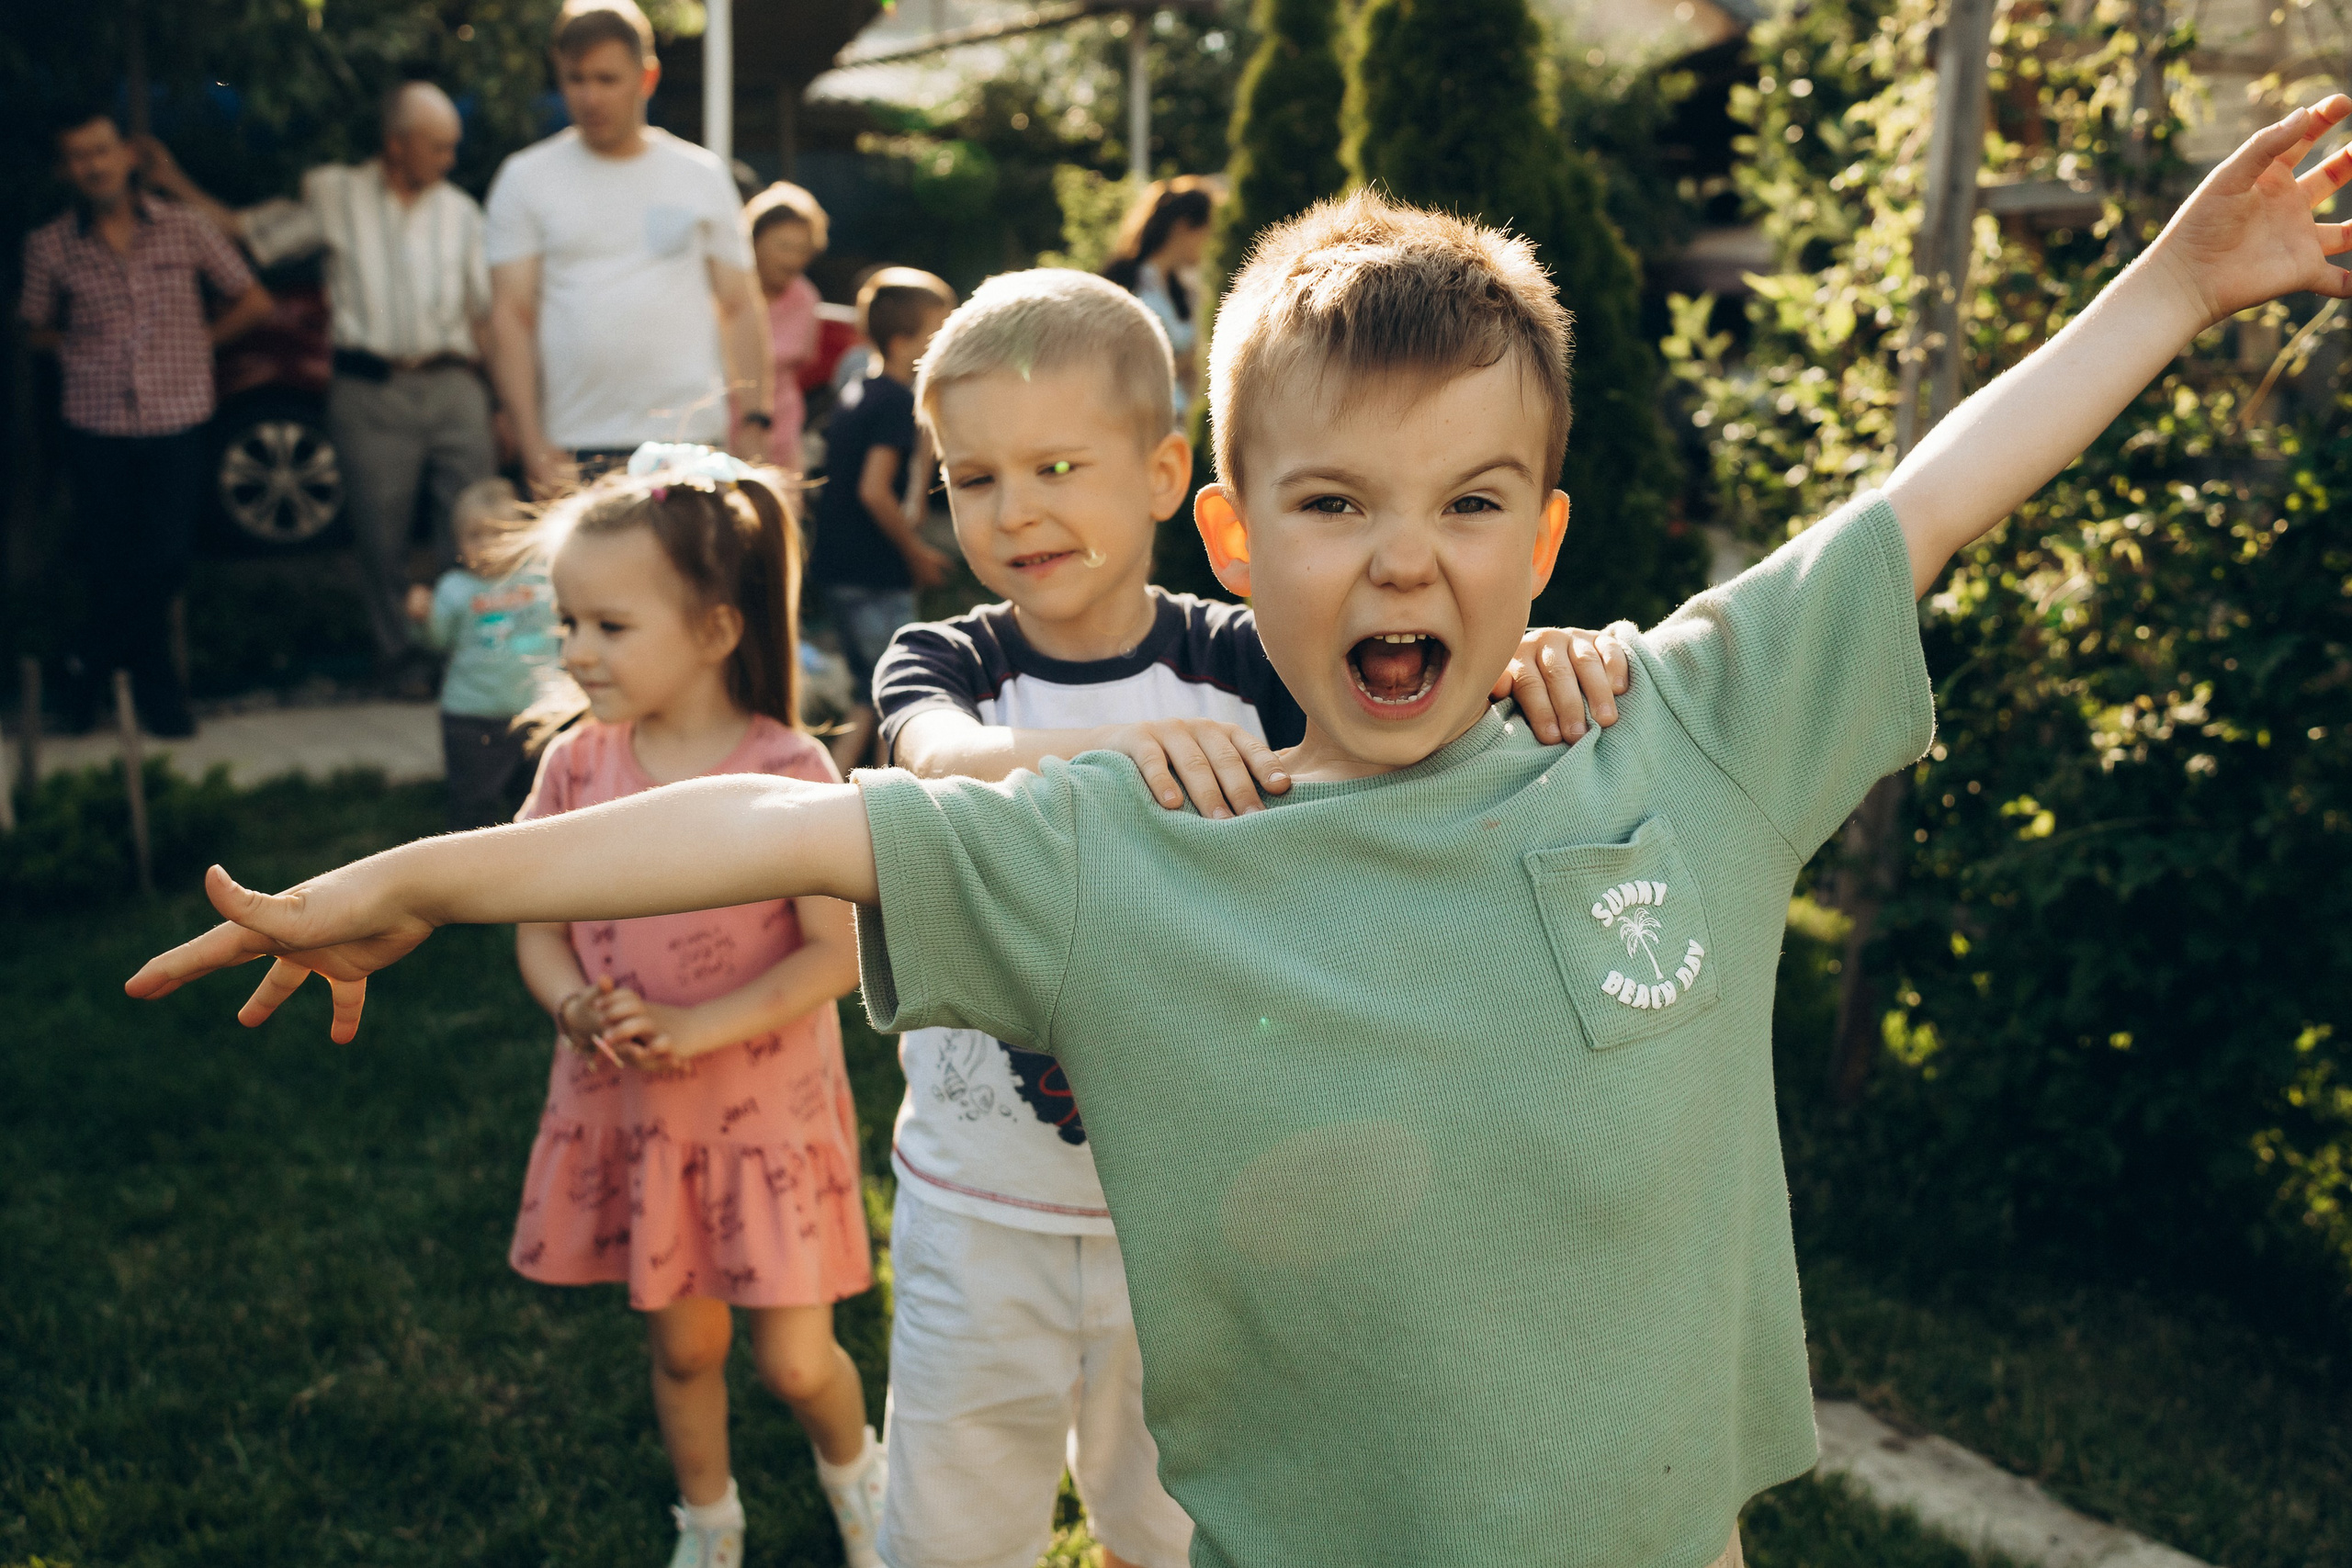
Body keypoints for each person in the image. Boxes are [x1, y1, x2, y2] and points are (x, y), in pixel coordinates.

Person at [128, 97, 2352, 1568]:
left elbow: (1922, 502)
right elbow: (783, 824)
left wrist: (2165, 283)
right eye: (1335, 505)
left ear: (1547, 532)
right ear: (1230, 535)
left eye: (1472, 505)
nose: (1407, 563)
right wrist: (419, 874)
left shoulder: (1671, 730)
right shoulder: (1135, 838)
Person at [868, 266, 1634, 1568]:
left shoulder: (1252, 660)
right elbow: (929, 760)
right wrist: (1130, 753)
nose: (1016, 510)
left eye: (1058, 464)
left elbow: (1417, 685)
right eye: (973, 476)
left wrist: (1544, 657)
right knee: (949, 1524)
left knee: (1173, 1523)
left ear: (1168, 476)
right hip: (976, 1206)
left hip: (1199, 1218)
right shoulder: (947, 661)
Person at [506, 447, 891, 1566]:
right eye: (567, 623)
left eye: (609, 628)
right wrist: (574, 1003)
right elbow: (537, 928)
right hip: (645, 1123)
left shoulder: (788, 777)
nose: (576, 651)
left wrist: (698, 1029)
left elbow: (833, 955)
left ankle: (855, 1473)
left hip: (760, 1119)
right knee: (682, 1351)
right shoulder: (578, 770)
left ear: (717, 629)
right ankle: (709, 1525)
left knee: (795, 1361)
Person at [141, 82, 500, 693]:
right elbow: (248, 231)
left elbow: (485, 315)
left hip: (453, 381)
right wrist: (172, 180)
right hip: (371, 388)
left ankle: (468, 659)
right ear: (397, 144)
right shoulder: (336, 193)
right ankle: (399, 663)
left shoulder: (461, 210)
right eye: (437, 147)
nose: (449, 160)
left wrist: (503, 405)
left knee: (473, 527)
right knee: (379, 535)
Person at [17, 107, 273, 738]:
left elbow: (254, 298)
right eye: (79, 156)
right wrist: (76, 345)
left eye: (102, 150)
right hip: (95, 422)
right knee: (107, 558)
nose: (94, 165)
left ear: (127, 155)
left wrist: (199, 342)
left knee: (164, 559)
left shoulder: (182, 229)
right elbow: (31, 326)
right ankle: (159, 698)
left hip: (177, 416)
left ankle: (85, 671)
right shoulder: (49, 245)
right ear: (64, 169)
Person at [484, 0, 774, 495]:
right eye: (575, 79)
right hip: (573, 445)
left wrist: (755, 421)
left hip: (688, 442)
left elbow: (740, 304)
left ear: (647, 77)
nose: (590, 96)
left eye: (606, 78)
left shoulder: (700, 175)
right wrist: (532, 442)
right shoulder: (524, 179)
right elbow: (510, 316)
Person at [808, 266, 956, 773]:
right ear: (902, 341)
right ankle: (877, 796)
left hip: (837, 564)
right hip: (873, 571)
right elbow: (875, 490)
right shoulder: (894, 402)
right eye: (938, 330)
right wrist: (915, 554)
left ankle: (833, 783)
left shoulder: (858, 389)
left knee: (863, 692)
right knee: (896, 692)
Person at [404, 478, 557, 829]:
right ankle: (470, 873)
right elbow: (437, 642)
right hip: (472, 718)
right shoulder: (455, 589)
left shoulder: (544, 578)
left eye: (499, 533)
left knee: (543, 804)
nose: (487, 545)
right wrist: (422, 619)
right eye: (475, 536)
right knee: (473, 807)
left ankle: (537, 870)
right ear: (458, 542)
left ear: (523, 535)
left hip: (541, 712)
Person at [1102, 177, 1215, 419]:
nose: (1209, 244)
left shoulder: (1184, 291)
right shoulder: (1124, 282)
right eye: (1206, 232)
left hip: (1177, 419)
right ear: (1184, 227)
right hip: (1135, 418)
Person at [743, 182, 829, 473]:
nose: (793, 260)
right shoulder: (730, 293)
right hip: (727, 421)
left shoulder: (805, 298)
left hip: (783, 426)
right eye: (783, 247)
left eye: (803, 250)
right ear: (753, 240)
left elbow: (804, 365)